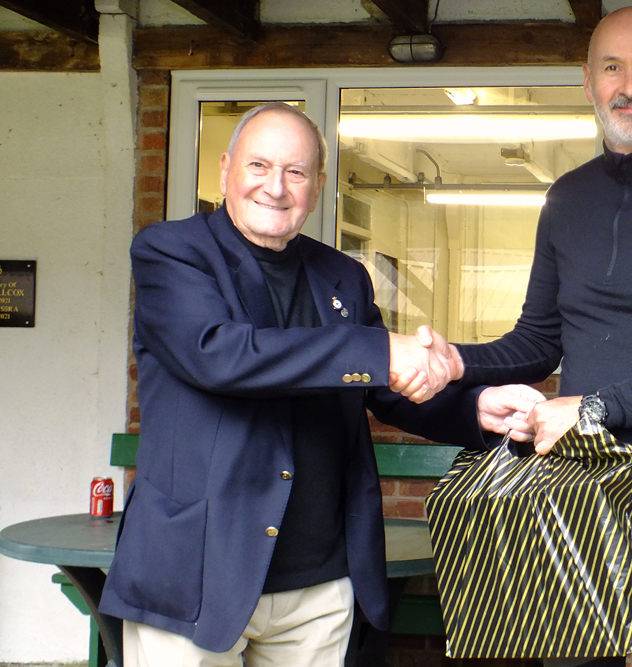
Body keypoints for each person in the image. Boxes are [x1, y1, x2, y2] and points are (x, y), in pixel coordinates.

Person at [99, 102, 543, 667]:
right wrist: (381, 350)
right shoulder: (172, 252)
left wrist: (477, 407)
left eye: (296, 172)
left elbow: (383, 390)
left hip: (319, 582)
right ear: (225, 169)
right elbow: (222, 355)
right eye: (259, 166)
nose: (276, 187)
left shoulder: (343, 275)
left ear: (318, 185)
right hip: (197, 572)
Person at [396, 7, 632, 667]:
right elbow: (539, 342)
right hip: (578, 494)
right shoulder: (566, 199)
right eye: (612, 67)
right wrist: (460, 361)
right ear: (587, 79)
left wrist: (594, 409)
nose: (630, 85)